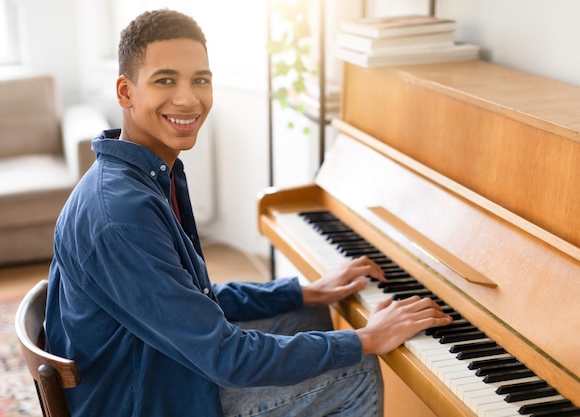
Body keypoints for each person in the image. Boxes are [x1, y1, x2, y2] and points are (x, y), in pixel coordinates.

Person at [45, 8, 452, 417]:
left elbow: (193, 303)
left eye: (200, 80)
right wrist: (366, 339)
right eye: (165, 80)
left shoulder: (144, 176)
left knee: (304, 312)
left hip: (156, 363)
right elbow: (225, 356)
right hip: (142, 399)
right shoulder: (121, 214)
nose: (188, 98)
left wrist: (301, 291)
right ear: (125, 91)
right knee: (355, 370)